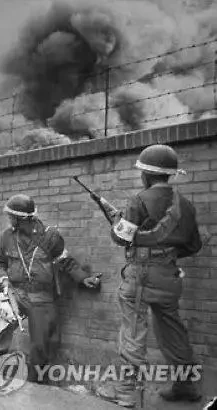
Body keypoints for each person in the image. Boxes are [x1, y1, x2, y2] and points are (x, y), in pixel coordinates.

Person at [96, 144, 203, 408]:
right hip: (169, 276)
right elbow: (194, 246)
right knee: (173, 330)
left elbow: (122, 238)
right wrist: (167, 255)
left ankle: (125, 392)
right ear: (168, 174)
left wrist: (115, 223)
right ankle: (185, 386)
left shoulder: (139, 200)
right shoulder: (186, 205)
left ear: (146, 174)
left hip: (140, 277)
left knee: (133, 331)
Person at [0, 194, 101, 379]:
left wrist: (83, 278)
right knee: (0, 313)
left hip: (41, 295)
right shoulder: (7, 236)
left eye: (11, 216)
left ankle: (36, 376)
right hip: (16, 291)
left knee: (42, 341)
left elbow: (65, 261)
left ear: (21, 218)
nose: (9, 219)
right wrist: (2, 280)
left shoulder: (50, 236)